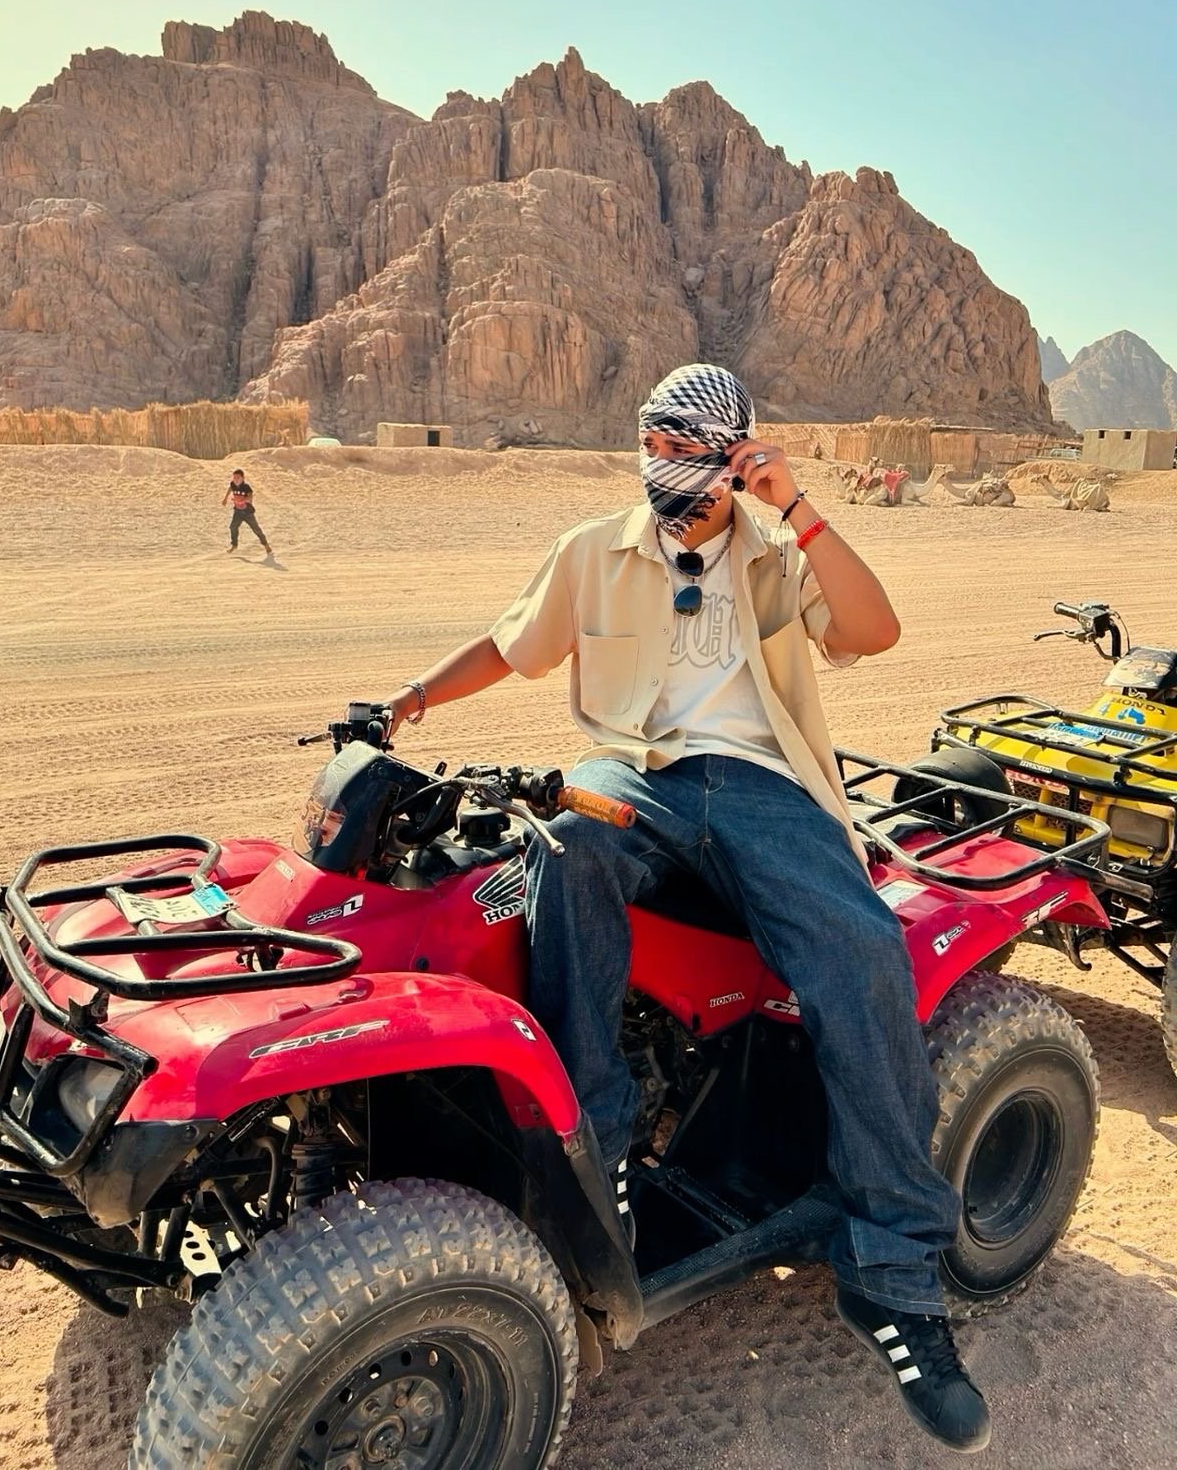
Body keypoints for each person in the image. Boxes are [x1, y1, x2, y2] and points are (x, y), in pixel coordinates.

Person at [378, 364, 989, 1454]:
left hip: (765, 787)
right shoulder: (595, 551)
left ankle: (894, 1274)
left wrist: (798, 506)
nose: (667, 468)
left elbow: (873, 630)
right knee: (558, 849)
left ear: (735, 455)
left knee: (863, 951)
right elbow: (513, 644)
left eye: (690, 451)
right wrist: (410, 699)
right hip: (635, 774)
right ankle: (596, 1143)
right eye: (656, 445)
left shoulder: (776, 551)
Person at [221, 468, 272, 554]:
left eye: (238, 477)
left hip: (247, 513)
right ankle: (234, 545)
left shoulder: (246, 487)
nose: (236, 479)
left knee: (256, 529)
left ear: (243, 478)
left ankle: (266, 544)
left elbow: (250, 496)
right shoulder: (233, 484)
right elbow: (230, 488)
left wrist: (243, 500)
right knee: (233, 527)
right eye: (234, 477)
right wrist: (225, 498)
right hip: (237, 512)